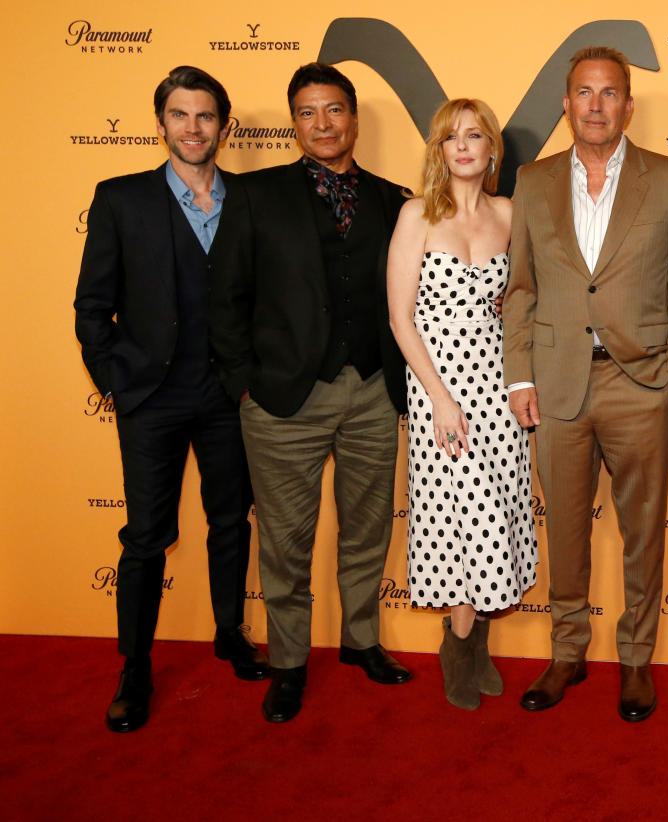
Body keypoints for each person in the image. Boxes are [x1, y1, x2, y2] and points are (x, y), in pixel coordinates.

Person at [502, 46, 668, 722]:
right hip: (557, 386)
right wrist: (520, 376)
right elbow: (521, 289)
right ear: (566, 104)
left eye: (609, 92)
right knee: (564, 529)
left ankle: (638, 659)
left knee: (643, 533)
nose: (596, 105)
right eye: (584, 93)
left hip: (640, 383)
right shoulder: (532, 181)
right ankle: (567, 653)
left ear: (628, 105)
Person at [212, 62, 413, 724]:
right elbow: (225, 296)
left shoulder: (396, 200)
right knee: (286, 539)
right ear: (295, 122)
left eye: (334, 110)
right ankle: (291, 661)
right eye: (307, 112)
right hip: (282, 400)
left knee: (365, 530)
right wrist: (245, 384)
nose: (322, 124)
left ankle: (360, 641)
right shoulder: (253, 195)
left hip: (375, 392)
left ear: (354, 118)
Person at [74, 66, 268, 733]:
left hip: (226, 398)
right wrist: (116, 381)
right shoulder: (120, 199)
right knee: (146, 539)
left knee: (229, 521)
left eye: (206, 116)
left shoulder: (249, 199)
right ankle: (135, 667)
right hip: (150, 399)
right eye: (181, 115)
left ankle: (229, 633)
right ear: (161, 123)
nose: (194, 128)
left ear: (224, 125)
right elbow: (92, 305)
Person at [387, 99, 537, 711]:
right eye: (452, 138)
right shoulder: (417, 215)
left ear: (492, 147)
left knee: (496, 506)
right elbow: (401, 319)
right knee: (452, 514)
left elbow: (525, 297)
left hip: (499, 384)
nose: (465, 146)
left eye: (475, 135)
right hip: (437, 388)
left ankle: (479, 644)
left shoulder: (509, 212)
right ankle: (458, 643)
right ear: (439, 150)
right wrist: (440, 399)